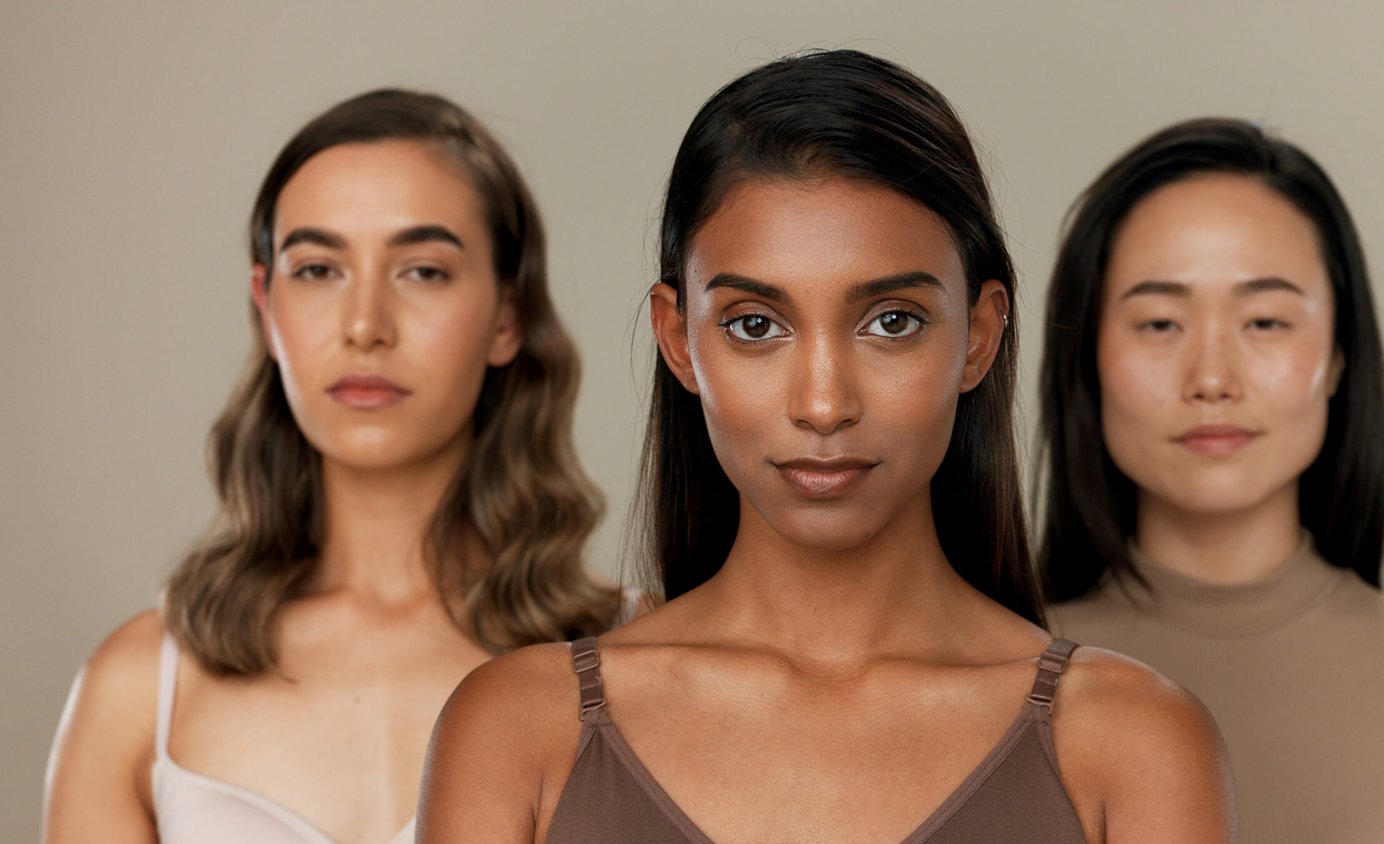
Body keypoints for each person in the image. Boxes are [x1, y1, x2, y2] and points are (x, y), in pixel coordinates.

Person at [418, 50, 1235, 843]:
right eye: (754, 326)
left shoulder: (1132, 745)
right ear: (677, 339)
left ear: (979, 337)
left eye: (891, 322)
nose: (823, 403)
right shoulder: (519, 732)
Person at [42, 89, 619, 844]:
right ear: (266, 307)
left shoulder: (638, 660)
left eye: (423, 271)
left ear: (507, 315)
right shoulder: (139, 686)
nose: (364, 326)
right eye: (317, 269)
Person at [1037, 117, 1384, 842]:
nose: (1211, 379)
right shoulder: (993, 679)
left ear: (1340, 357)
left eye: (1264, 322)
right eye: (1160, 324)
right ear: (1086, 360)